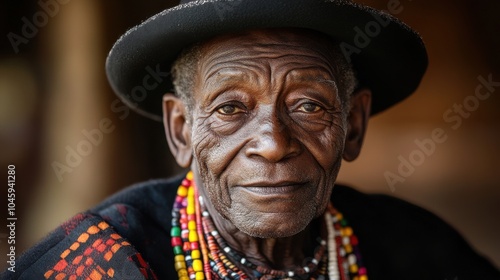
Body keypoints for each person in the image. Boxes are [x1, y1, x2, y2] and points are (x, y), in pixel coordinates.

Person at [3, 0, 500, 279]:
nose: (273, 143)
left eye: (308, 106)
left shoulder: (416, 250)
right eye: (230, 109)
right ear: (181, 130)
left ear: (352, 124)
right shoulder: (100, 262)